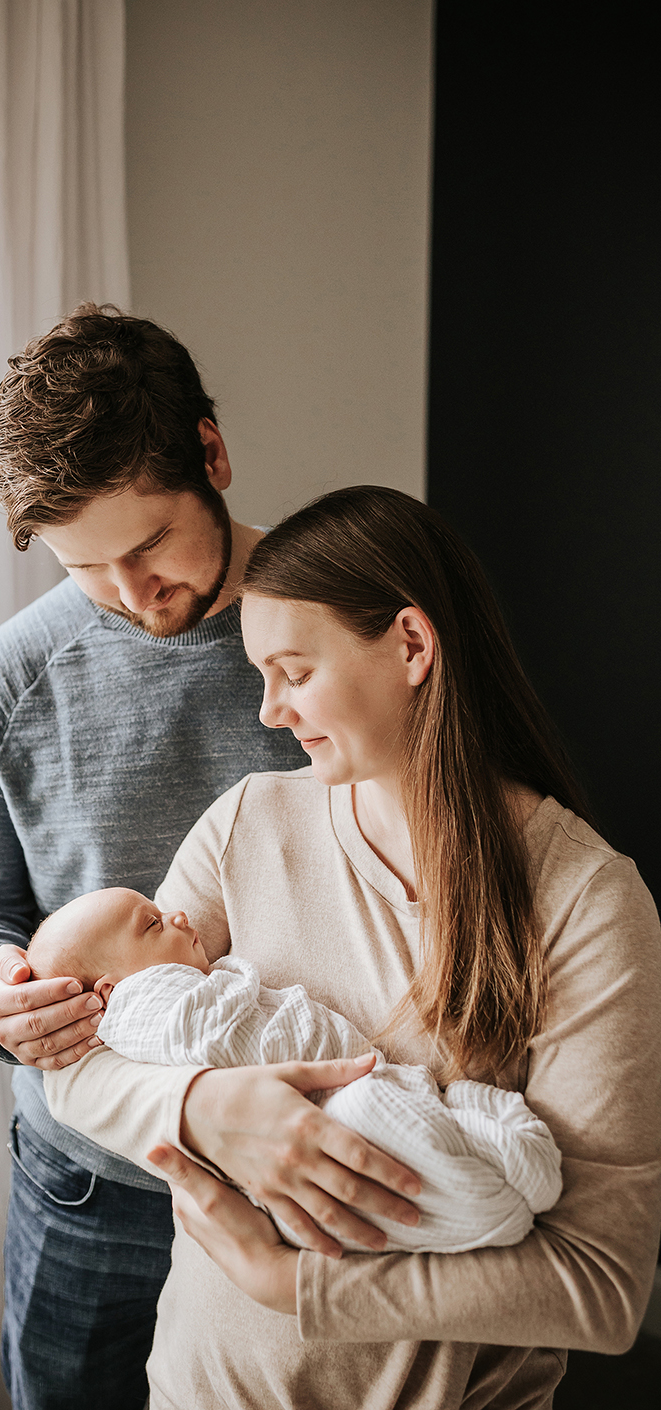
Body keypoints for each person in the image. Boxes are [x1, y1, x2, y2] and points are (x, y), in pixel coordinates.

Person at [43, 486, 661, 1410]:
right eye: (260, 675)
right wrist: (207, 1109)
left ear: (412, 646)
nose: (270, 713)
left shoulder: (587, 902)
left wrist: (287, 1281)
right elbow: (83, 1057)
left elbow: (598, 1287)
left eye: (293, 671)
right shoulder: (247, 823)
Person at [0, 304, 311, 1410]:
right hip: (89, 1191)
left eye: (148, 546)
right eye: (88, 568)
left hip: (296, 1164)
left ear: (213, 453)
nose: (134, 595)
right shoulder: (5, 682)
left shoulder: (332, 636)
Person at [29, 884, 564, 1255]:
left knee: (437, 1103)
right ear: (110, 992)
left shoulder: (175, 979)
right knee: (372, 1110)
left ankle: (497, 1169)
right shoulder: (144, 1008)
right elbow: (84, 1065)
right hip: (331, 1117)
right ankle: (493, 1203)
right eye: (153, 922)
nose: (180, 915)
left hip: (373, 1087)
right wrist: (201, 1104)